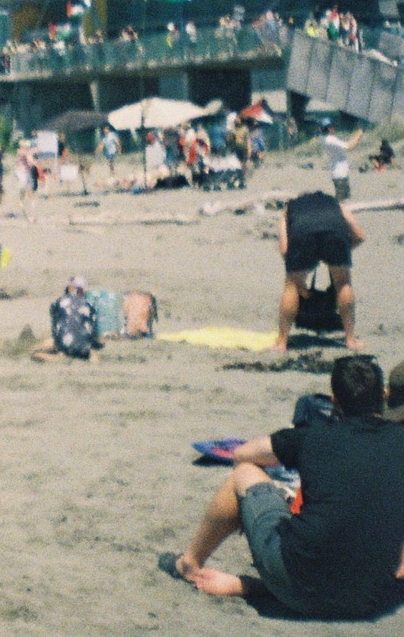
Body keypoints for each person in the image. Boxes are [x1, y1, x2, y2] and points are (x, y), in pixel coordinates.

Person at [161, 355, 404, 618]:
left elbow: (242, 455)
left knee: (244, 474)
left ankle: (189, 563)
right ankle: (265, 586)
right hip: (372, 597)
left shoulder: (312, 437)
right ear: (383, 394)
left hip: (298, 587)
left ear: (334, 400)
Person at [275, 190, 368, 351]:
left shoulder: (289, 209)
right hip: (334, 232)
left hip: (302, 232)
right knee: (343, 282)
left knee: (291, 285)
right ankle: (350, 340)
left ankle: (282, 342)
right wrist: (338, 254)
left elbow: (284, 250)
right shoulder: (336, 204)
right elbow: (359, 235)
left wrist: (300, 279)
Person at [321, 120, 362, 200]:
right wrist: (358, 135)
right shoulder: (331, 140)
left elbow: (347, 144)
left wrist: (356, 135)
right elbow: (349, 147)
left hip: (340, 173)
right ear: (329, 128)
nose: (334, 128)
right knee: (340, 201)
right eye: (333, 127)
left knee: (344, 199)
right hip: (340, 174)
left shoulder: (326, 139)